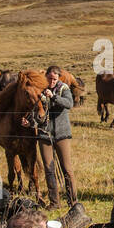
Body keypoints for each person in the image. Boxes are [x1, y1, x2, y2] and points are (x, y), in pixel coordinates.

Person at [36, 65, 78, 206]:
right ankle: (54, 203)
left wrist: (53, 97)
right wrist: (29, 122)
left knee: (67, 169)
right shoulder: (40, 90)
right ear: (45, 77)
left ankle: (73, 201)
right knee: (49, 169)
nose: (52, 81)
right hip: (44, 135)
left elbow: (69, 104)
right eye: (50, 78)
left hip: (61, 134)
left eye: (54, 79)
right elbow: (37, 111)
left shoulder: (63, 88)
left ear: (58, 78)